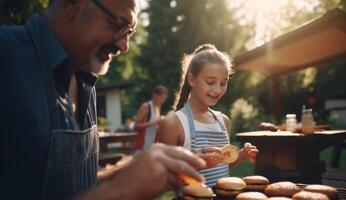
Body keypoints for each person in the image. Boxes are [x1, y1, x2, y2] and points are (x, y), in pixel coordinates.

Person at [0, 0, 206, 199]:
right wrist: (118, 193)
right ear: (72, 4)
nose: (124, 46)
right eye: (118, 25)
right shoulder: (7, 56)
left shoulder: (85, 81)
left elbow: (80, 186)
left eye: (130, 33)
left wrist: (138, 169)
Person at [158, 44, 259, 187]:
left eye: (223, 83)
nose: (217, 90)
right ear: (191, 79)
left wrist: (241, 155)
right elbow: (164, 177)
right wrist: (198, 163)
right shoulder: (174, 123)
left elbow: (222, 166)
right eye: (210, 82)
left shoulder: (223, 121)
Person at [134, 84, 168, 152]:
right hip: (142, 147)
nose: (163, 101)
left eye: (164, 99)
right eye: (161, 98)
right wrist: (155, 122)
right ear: (155, 95)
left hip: (152, 147)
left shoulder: (158, 107)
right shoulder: (146, 106)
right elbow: (136, 126)